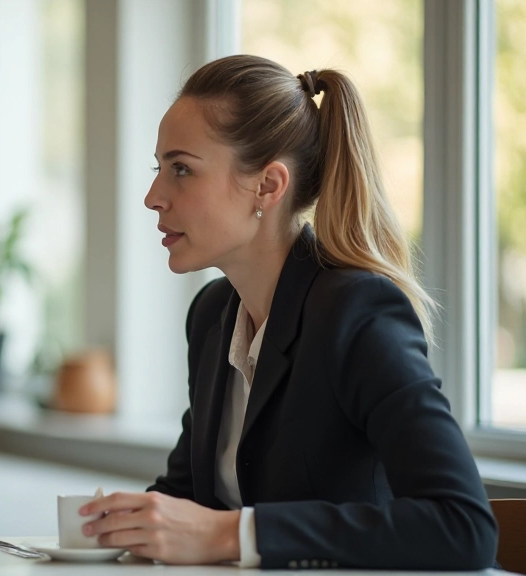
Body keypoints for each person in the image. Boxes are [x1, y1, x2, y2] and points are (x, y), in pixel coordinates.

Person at [79, 55, 497, 569]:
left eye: (181, 169)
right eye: (158, 168)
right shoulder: (212, 317)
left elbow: (463, 526)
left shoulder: (358, 313)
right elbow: (189, 497)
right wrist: (115, 528)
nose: (152, 197)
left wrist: (234, 535)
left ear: (269, 186)